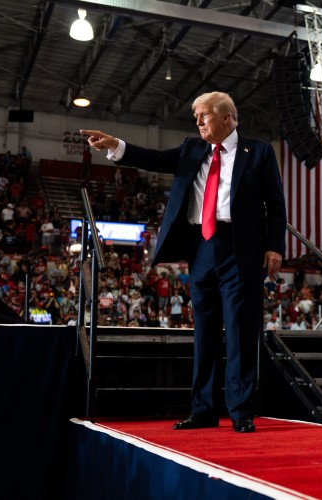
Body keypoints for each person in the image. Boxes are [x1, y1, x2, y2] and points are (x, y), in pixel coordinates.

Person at [81, 91, 287, 433]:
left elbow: (275, 206)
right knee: (204, 332)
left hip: (241, 250)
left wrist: (274, 247)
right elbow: (156, 159)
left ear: (226, 118)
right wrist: (117, 145)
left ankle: (241, 412)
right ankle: (203, 410)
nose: (198, 121)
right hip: (201, 249)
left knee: (239, 333)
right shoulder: (193, 148)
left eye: (203, 116)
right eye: (197, 117)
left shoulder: (260, 151)